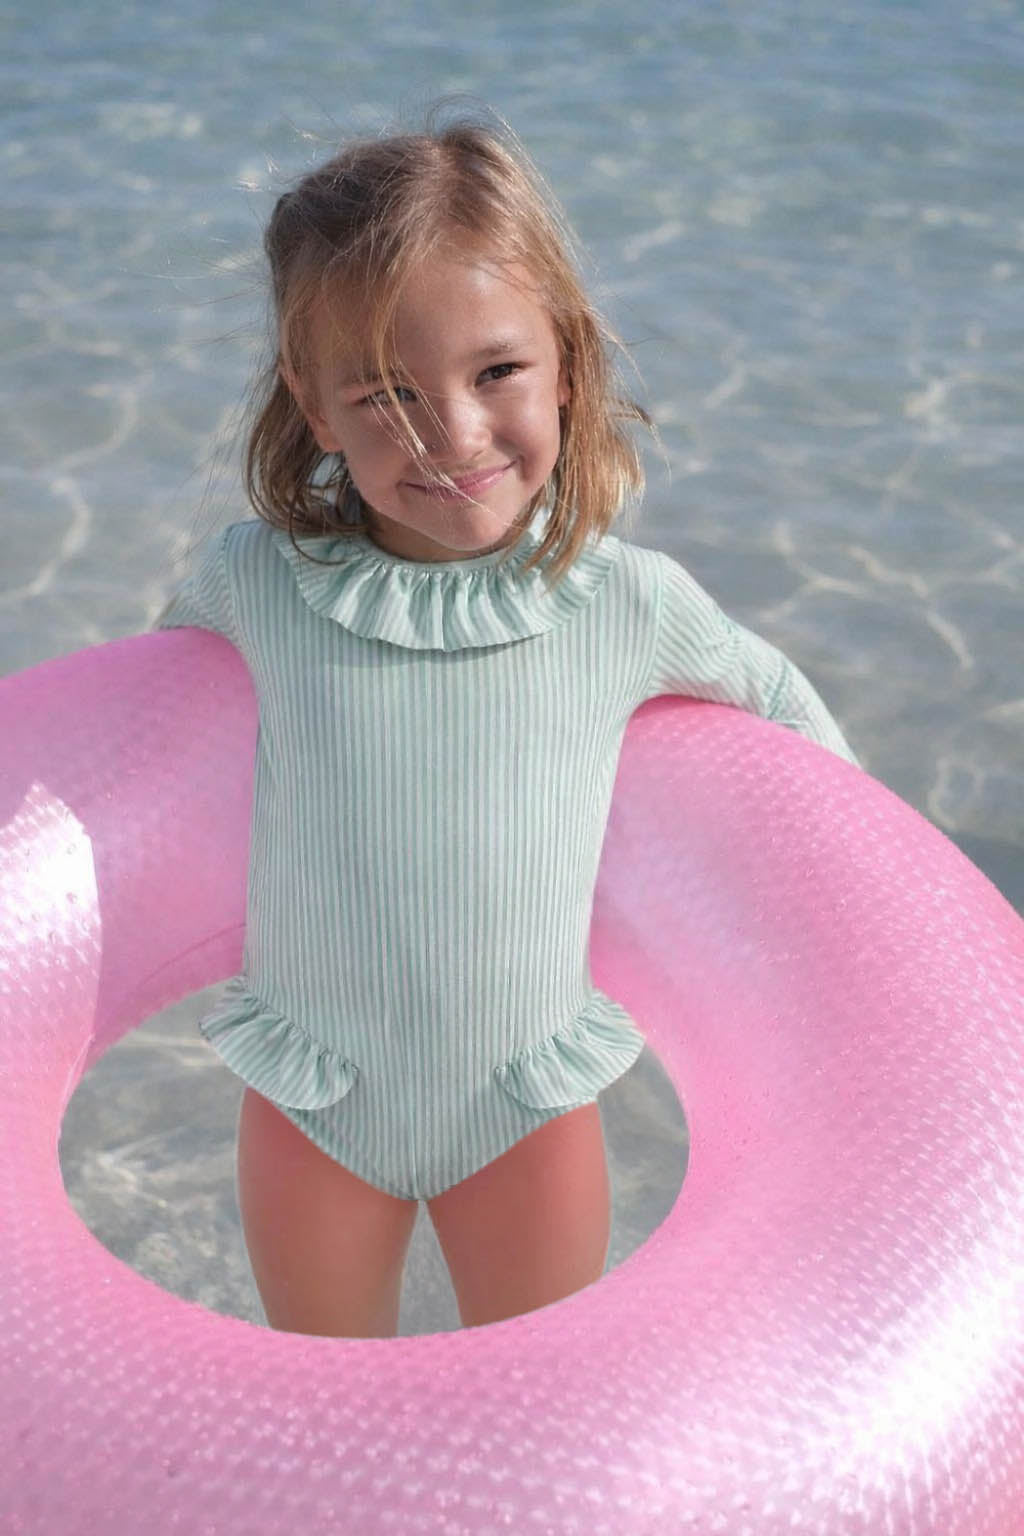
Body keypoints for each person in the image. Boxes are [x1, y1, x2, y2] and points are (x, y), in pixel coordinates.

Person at [156, 107, 859, 1341]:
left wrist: (893, 938)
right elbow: (139, 754)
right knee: (320, 1405)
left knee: (534, 1400)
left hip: (523, 1107)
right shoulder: (250, 588)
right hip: (318, 1097)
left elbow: (787, 722)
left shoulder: (628, 605)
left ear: (567, 366)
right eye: (383, 392)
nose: (453, 435)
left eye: (496, 373)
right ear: (312, 408)